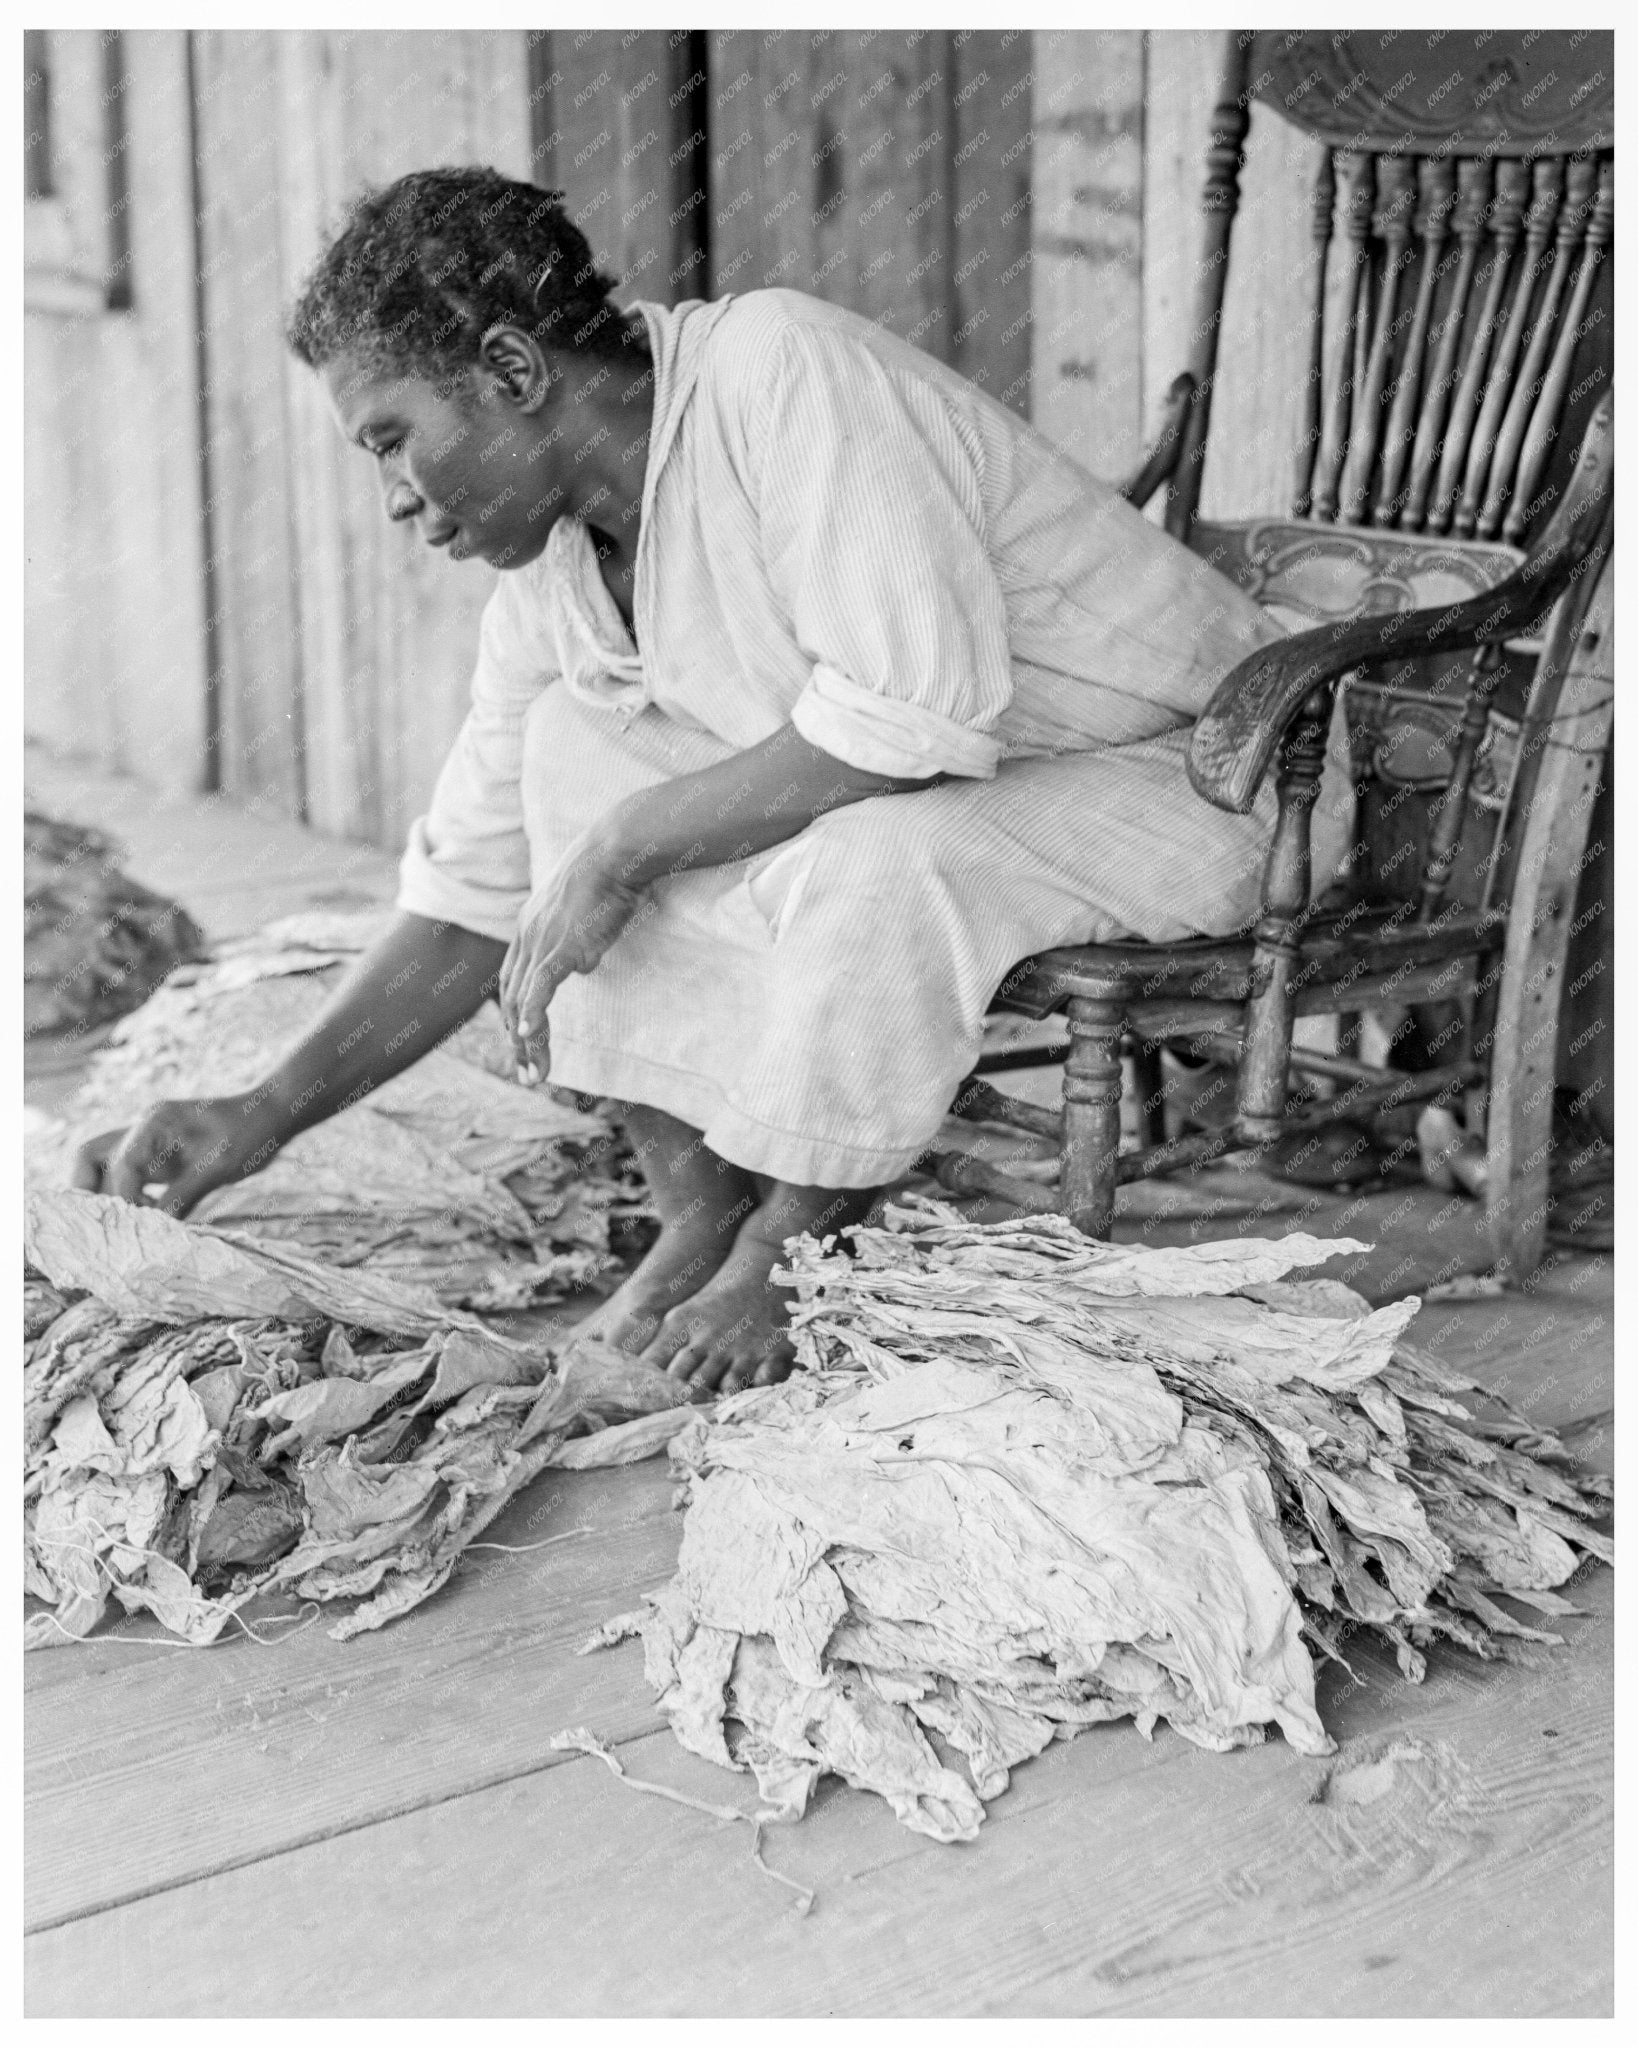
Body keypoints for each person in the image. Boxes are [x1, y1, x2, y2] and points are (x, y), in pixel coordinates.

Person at [75, 166, 1353, 1396]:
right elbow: (474, 888)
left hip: (1221, 781)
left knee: (867, 857)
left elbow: (911, 713)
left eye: (393, 438)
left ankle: (789, 1249)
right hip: (1002, 794)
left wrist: (627, 845)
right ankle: (698, 1218)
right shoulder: (554, 574)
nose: (395, 499)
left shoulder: (783, 369)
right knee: (574, 754)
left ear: (514, 367)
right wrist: (264, 1109)